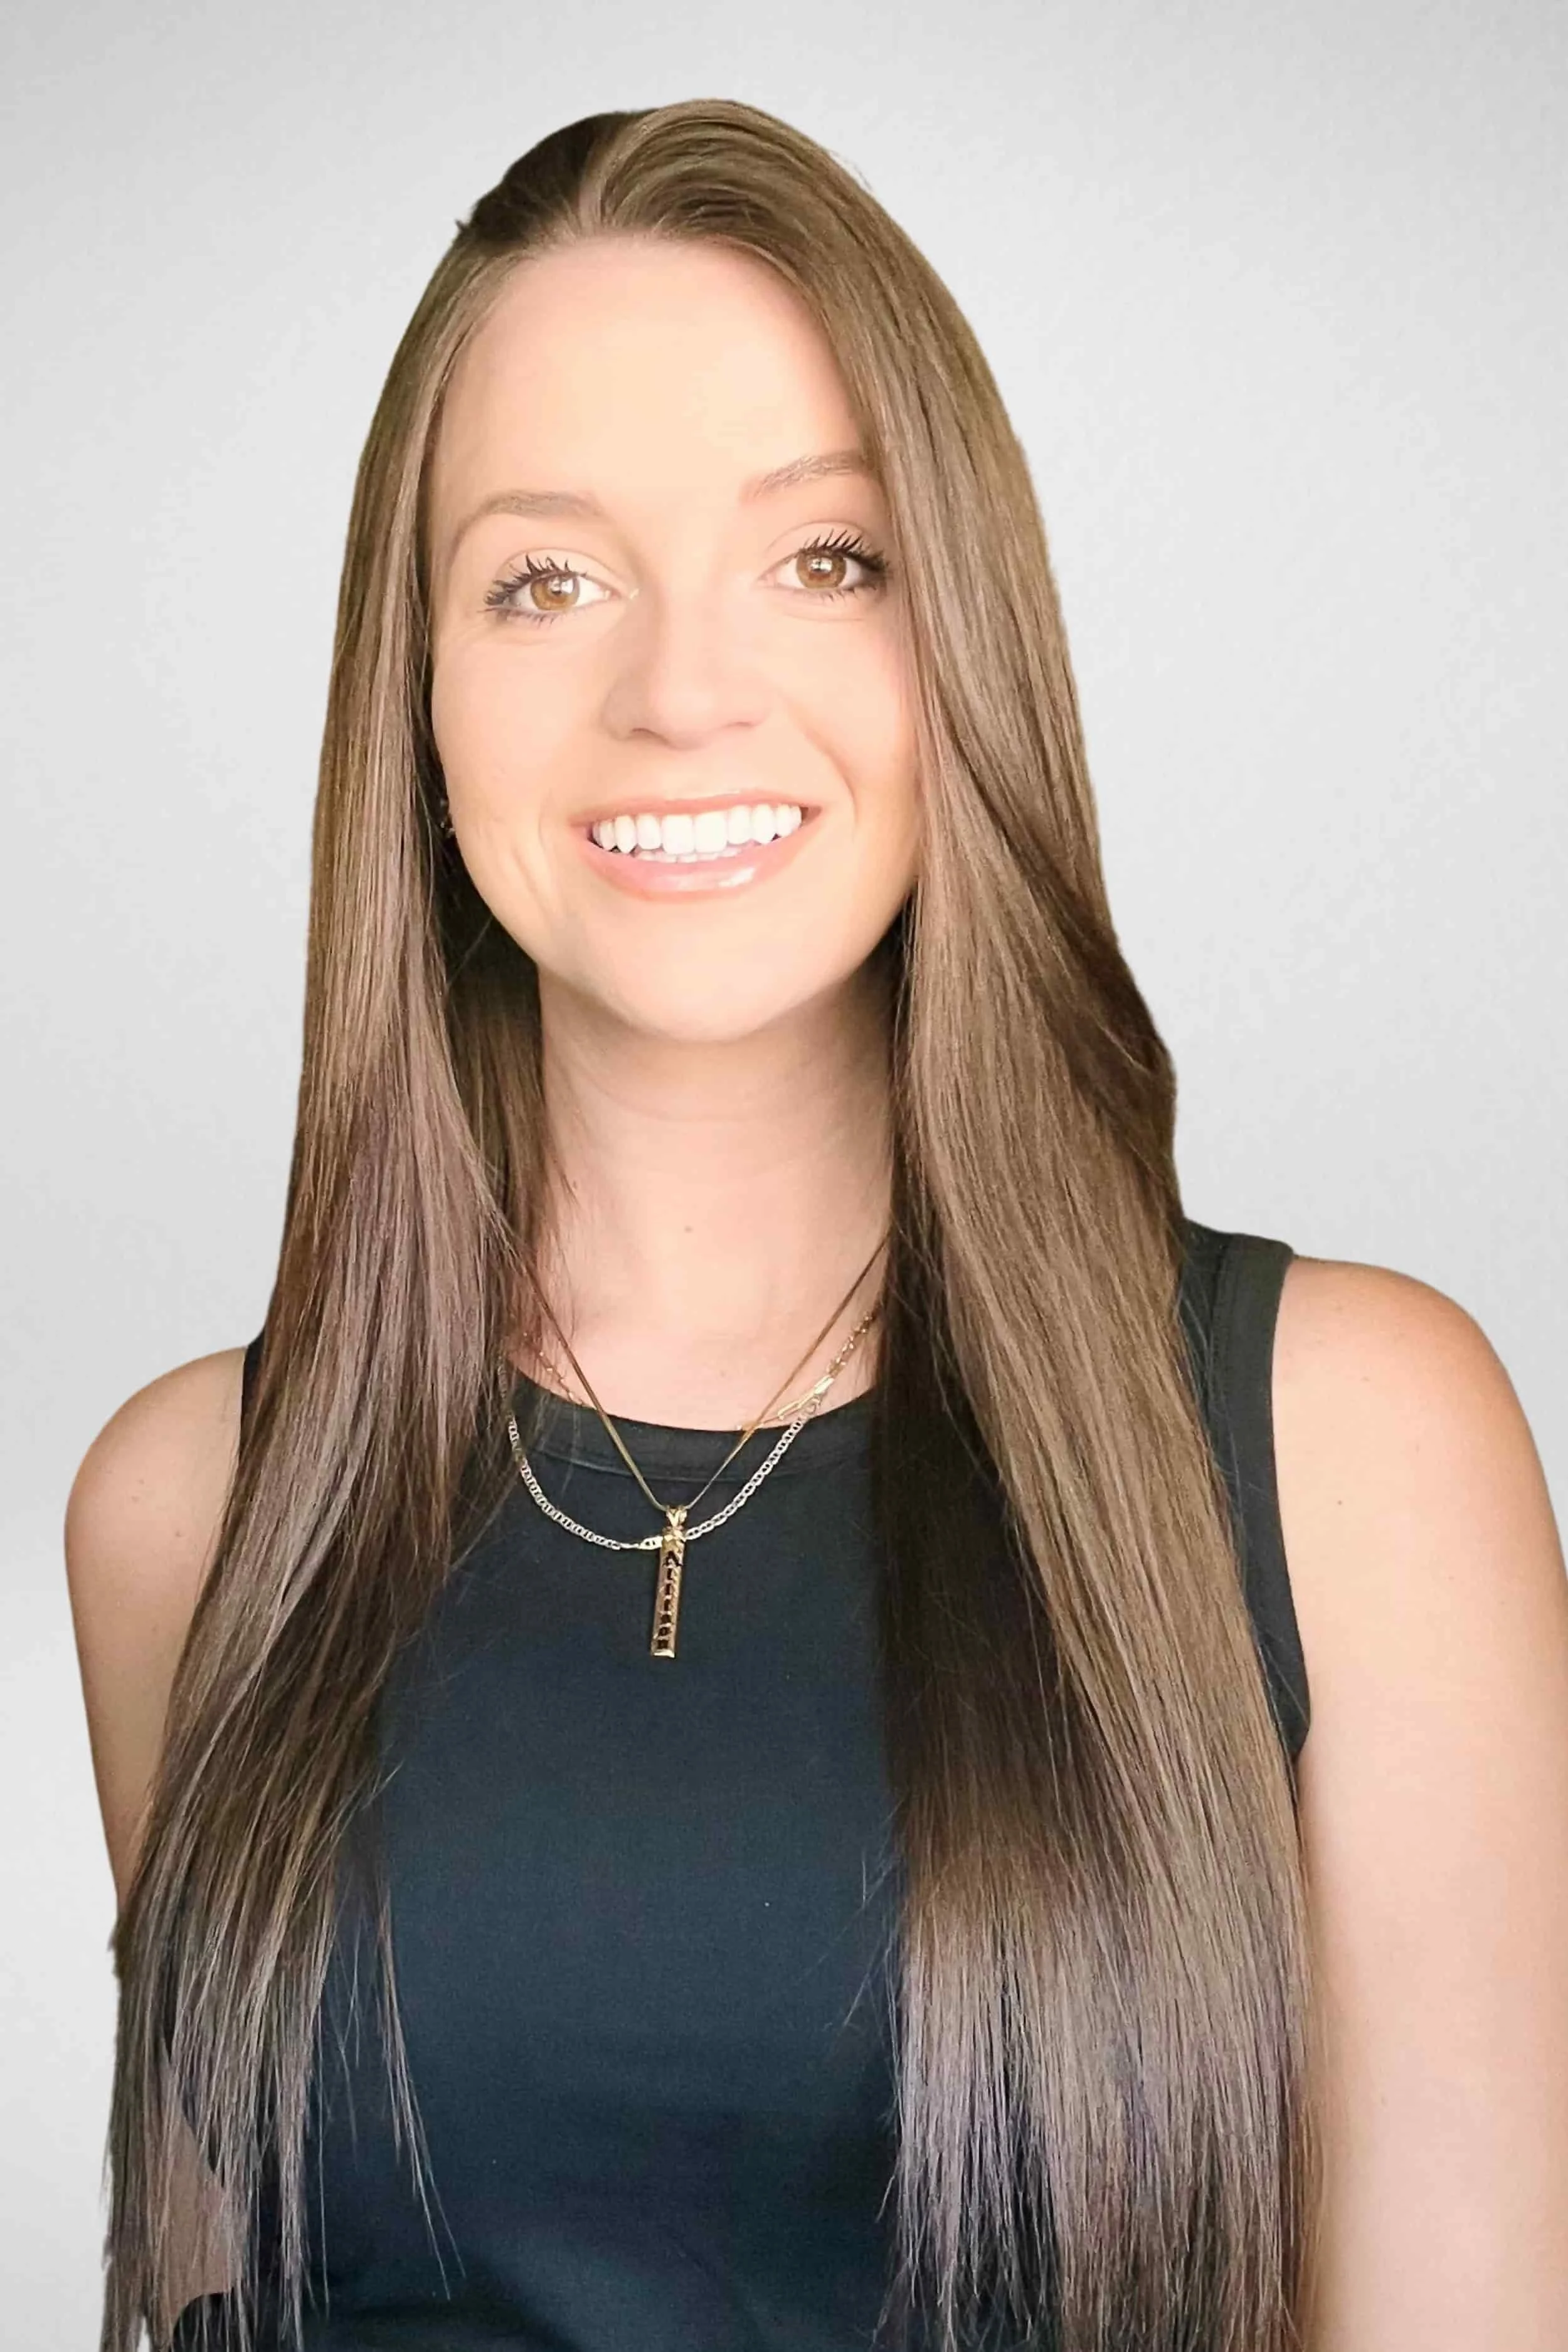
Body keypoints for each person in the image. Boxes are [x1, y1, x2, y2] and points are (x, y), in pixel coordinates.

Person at [64, 98, 1568, 2352]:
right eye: (545, 579)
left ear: (960, 640)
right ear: (418, 693)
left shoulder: (1349, 1443)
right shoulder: (197, 1504)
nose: (680, 690)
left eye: (824, 557)